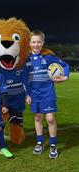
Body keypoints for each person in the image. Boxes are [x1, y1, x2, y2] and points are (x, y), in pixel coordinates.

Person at [26, 30, 69, 159]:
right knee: (38, 118)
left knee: (50, 118)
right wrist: (27, 95)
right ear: (30, 43)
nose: (36, 44)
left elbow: (64, 65)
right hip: (34, 95)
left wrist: (65, 76)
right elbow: (24, 79)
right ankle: (39, 143)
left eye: (39, 41)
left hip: (48, 93)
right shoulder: (26, 60)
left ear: (43, 42)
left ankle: (53, 145)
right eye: (33, 42)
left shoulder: (48, 57)